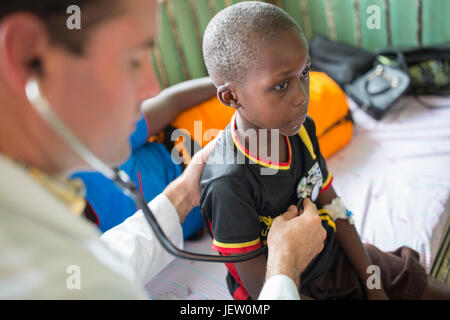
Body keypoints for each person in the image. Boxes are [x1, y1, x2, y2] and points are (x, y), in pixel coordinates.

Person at [0, 0, 325, 299]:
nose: (152, 87)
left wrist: (182, 195)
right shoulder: (27, 268)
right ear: (27, 53)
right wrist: (285, 266)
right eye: (132, 61)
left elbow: (103, 263)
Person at [200, 1, 450, 300]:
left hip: (335, 260)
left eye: (304, 73)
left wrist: (374, 287)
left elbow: (334, 208)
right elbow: (262, 292)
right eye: (281, 86)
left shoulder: (301, 129)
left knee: (422, 285)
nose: (301, 96)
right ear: (231, 96)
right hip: (287, 289)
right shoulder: (228, 185)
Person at [71, 77, 217, 239]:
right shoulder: (96, 250)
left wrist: (225, 82)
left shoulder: (89, 154)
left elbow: (171, 102)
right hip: (218, 210)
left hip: (198, 137)